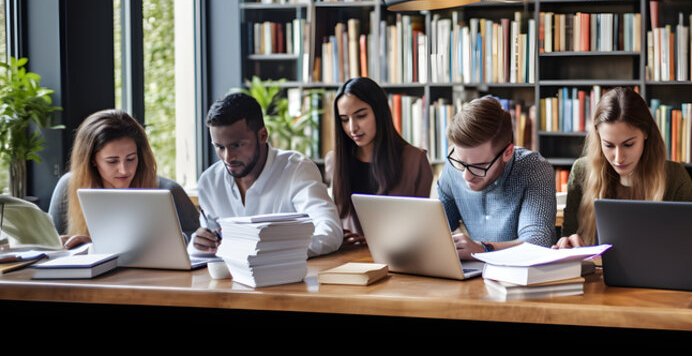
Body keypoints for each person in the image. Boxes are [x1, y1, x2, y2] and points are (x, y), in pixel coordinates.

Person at [188, 93, 343, 257]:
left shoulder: (296, 169)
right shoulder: (210, 181)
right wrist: (197, 244)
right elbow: (208, 248)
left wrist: (267, 250)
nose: (228, 157)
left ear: (263, 135)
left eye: (237, 145)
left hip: (289, 279)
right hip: (230, 280)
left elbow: (330, 232)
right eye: (219, 147)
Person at [556, 87, 692, 249]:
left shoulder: (674, 177)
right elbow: (568, 235)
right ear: (598, 137)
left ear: (646, 133)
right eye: (608, 145)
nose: (618, 157)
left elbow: (691, 244)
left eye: (628, 144)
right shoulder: (582, 171)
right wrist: (566, 245)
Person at [48, 109, 199, 249]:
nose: (124, 170)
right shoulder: (68, 187)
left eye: (131, 159)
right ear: (92, 160)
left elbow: (199, 245)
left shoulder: (169, 190)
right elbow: (50, 244)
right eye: (112, 161)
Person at [438, 96, 557, 259]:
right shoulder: (453, 165)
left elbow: (537, 243)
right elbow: (437, 228)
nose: (466, 175)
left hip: (523, 277)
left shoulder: (534, 169)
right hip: (472, 276)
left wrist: (482, 249)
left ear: (507, 153)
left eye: (478, 166)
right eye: (461, 163)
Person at [328, 77, 433, 248]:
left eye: (361, 116)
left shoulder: (415, 161)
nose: (352, 128)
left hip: (399, 257)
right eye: (344, 119)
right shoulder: (334, 161)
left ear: (380, 112)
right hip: (348, 259)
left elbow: (420, 228)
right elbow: (333, 221)